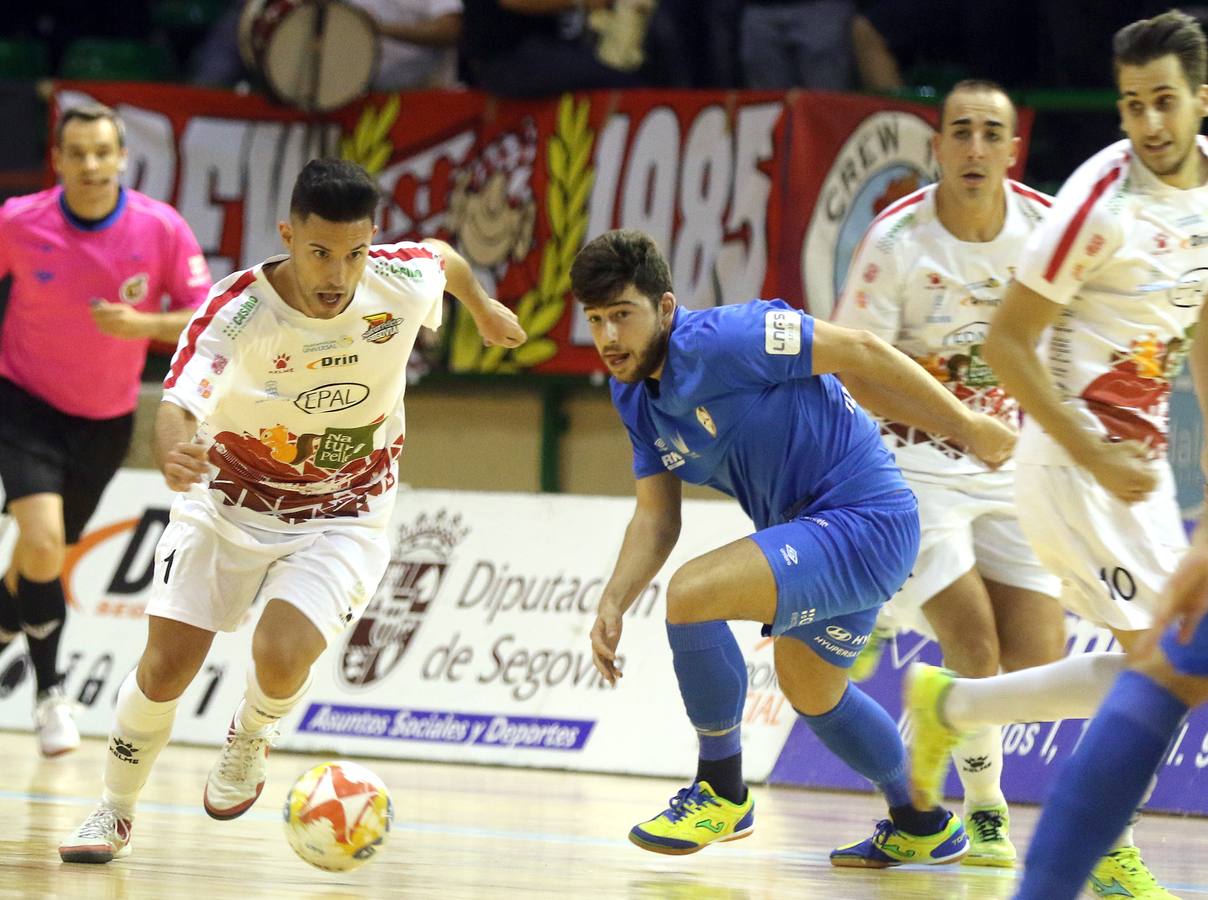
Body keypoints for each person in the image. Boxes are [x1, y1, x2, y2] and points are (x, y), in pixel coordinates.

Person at [56, 157, 524, 863]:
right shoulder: (237, 311)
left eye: (355, 252)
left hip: (345, 509)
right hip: (226, 504)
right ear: (288, 234)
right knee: (166, 669)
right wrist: (174, 451)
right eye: (320, 253)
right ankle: (113, 811)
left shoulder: (395, 280)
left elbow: (446, 260)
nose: (338, 275)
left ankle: (252, 731)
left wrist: (483, 305)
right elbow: (179, 404)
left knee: (279, 657)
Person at [572, 228, 1018, 865]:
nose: (610, 338)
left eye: (623, 315)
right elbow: (655, 519)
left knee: (692, 594)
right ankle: (921, 821)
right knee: (812, 691)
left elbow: (861, 348)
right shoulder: (632, 394)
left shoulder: (731, 338)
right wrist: (614, 600)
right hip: (815, 534)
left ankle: (721, 790)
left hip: (866, 518)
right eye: (596, 320)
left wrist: (966, 424)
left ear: (666, 308)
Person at [906, 11, 1208, 898]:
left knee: (1166, 665)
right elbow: (1005, 345)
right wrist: (1095, 454)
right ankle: (1101, 842)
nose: (1148, 124)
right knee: (1167, 665)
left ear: (1201, 102)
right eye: (1131, 105)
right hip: (1072, 461)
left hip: (1137, 469)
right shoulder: (1097, 207)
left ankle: (952, 704)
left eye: (1163, 103)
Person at [831, 79, 1066, 867]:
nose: (973, 147)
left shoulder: (1044, 229)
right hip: (914, 465)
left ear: (1012, 148)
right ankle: (987, 808)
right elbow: (854, 370)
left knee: (1037, 657)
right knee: (971, 639)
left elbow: (1068, 343)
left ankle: (885, 617)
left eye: (988, 133)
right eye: (958, 132)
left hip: (1009, 467)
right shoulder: (897, 242)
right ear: (936, 148)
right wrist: (959, 424)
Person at [0, 103, 210, 758]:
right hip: (23, 401)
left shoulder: (160, 228)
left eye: (102, 152)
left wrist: (143, 327)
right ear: (57, 161)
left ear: (122, 158)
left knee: (36, 565)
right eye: (78, 154)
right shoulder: (17, 222)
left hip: (105, 420)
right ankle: (50, 693)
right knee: (43, 540)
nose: (91, 165)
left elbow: (208, 315)